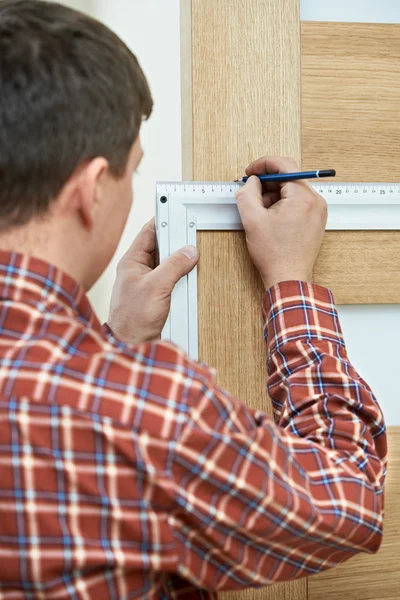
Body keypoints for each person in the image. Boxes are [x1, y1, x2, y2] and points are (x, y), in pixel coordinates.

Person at [0, 1, 387, 599]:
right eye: (129, 174)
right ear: (89, 189)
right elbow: (350, 499)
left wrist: (113, 341)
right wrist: (291, 283)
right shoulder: (146, 413)